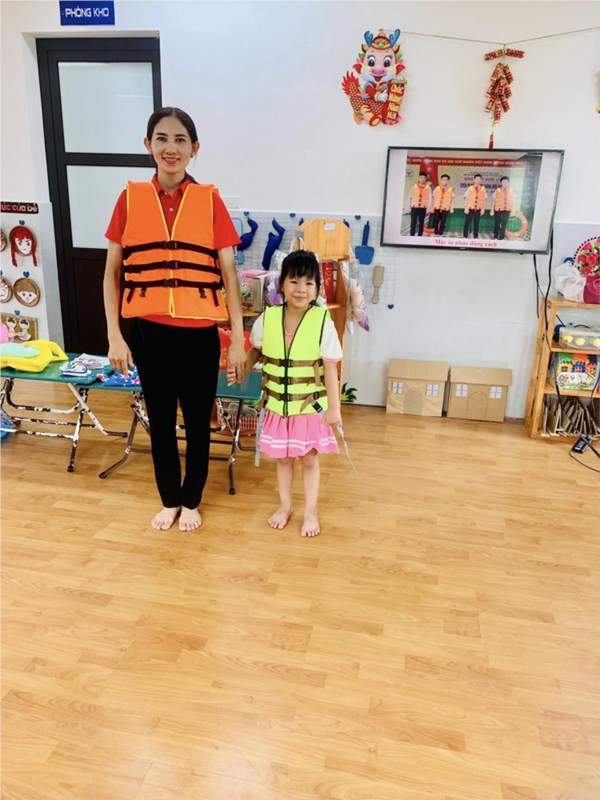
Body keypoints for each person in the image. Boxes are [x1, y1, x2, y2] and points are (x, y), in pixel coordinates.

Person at [103, 106, 246, 532]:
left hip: (199, 335)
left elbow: (229, 274)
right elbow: (111, 272)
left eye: (180, 139)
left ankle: (192, 499)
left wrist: (238, 340)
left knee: (199, 422)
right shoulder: (129, 199)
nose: (171, 147)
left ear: (194, 148)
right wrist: (114, 335)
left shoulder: (209, 200)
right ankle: (169, 500)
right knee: (161, 422)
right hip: (149, 335)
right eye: (162, 138)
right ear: (148, 144)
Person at [245, 250, 342, 538]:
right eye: (294, 281)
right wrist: (242, 367)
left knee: (309, 459)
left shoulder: (323, 321)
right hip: (278, 406)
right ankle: (285, 506)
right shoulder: (268, 318)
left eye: (309, 283)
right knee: (283, 459)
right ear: (282, 284)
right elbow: (257, 350)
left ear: (317, 288)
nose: (301, 289)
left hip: (310, 408)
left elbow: (331, 368)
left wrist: (334, 408)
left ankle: (310, 511)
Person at [406, 172, 432, 236]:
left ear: (425, 179)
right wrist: (409, 206)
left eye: (424, 178)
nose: (422, 179)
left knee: (421, 222)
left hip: (423, 208)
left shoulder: (428, 188)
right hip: (414, 207)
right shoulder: (413, 187)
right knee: (413, 221)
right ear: (418, 178)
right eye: (421, 177)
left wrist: (428, 208)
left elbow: (430, 198)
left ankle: (420, 235)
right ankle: (412, 234)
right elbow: (409, 197)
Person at [463, 173, 487, 238]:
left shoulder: (483, 189)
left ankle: (475, 236)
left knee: (477, 223)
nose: (478, 180)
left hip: (478, 209)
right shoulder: (470, 188)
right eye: (476, 179)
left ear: (481, 180)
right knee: (467, 222)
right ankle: (465, 236)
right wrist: (466, 207)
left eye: (479, 179)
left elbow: (484, 199)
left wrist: (483, 209)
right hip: (470, 208)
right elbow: (466, 198)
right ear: (473, 180)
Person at [490, 176, 514, 240]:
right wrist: (492, 210)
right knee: (497, 223)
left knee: (504, 224)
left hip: (507, 210)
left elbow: (513, 201)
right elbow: (494, 200)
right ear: (501, 183)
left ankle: (501, 237)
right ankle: (495, 236)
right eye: (503, 182)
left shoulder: (511, 191)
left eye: (506, 182)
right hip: (498, 209)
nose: (505, 183)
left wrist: (512, 210)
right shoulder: (497, 190)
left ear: (508, 183)